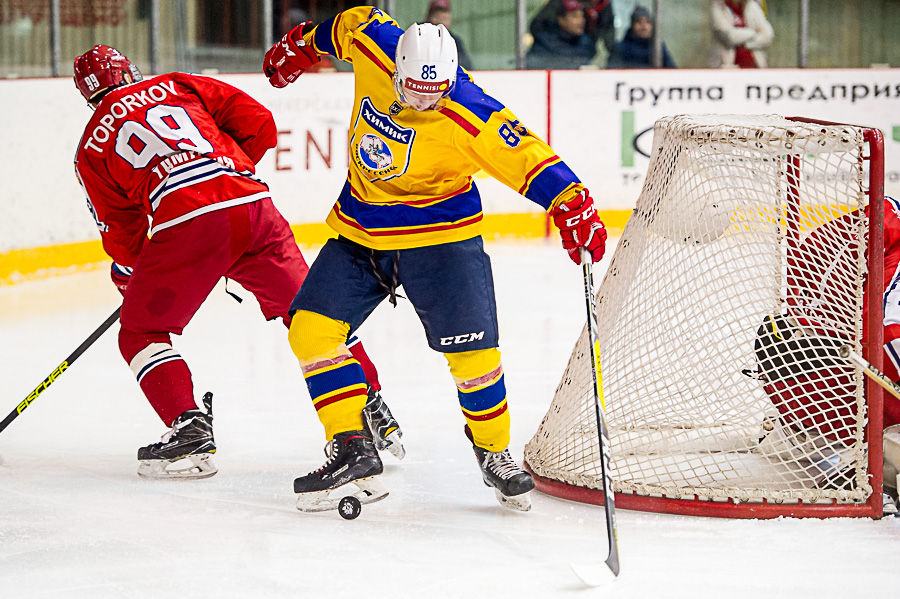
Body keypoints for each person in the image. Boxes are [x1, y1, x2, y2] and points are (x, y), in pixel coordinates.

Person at [262, 7, 606, 512]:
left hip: (441, 242)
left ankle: (494, 453)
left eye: (436, 90)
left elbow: (528, 155)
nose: (425, 98)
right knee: (310, 329)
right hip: (361, 231)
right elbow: (344, 24)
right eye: (414, 87)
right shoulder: (373, 40)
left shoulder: (472, 112)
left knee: (474, 358)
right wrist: (304, 43)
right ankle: (353, 448)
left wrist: (571, 202)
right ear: (395, 64)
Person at [72, 45, 404, 480]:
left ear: (87, 94)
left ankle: (188, 430)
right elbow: (260, 125)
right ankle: (370, 406)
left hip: (187, 223)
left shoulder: (90, 145)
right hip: (252, 204)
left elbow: (122, 231)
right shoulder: (177, 82)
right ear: (130, 70)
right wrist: (226, 172)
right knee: (315, 316)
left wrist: (137, 274)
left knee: (140, 332)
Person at [753, 196, 900, 512]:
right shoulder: (888, 225)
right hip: (816, 367)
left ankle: (820, 443)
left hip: (831, 387)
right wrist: (815, 320)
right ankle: (830, 448)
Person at [526, 0, 599, 70]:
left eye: (582, 16)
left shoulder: (586, 43)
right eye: (575, 16)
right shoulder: (542, 46)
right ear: (561, 20)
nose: (581, 21)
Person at [607, 5, 676, 69]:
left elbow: (672, 72)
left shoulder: (658, 48)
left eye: (647, 22)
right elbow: (612, 74)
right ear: (632, 25)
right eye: (638, 21)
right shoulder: (620, 48)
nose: (644, 26)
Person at [710, 0, 774, 68]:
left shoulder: (752, 6)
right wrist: (753, 32)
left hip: (755, 67)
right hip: (728, 68)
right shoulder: (718, 8)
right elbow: (730, 36)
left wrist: (746, 44)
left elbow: (768, 34)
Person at [424, 0, 473, 71]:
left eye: (445, 19)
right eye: (437, 17)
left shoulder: (454, 40)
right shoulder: (417, 34)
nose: (441, 23)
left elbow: (466, 67)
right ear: (427, 18)